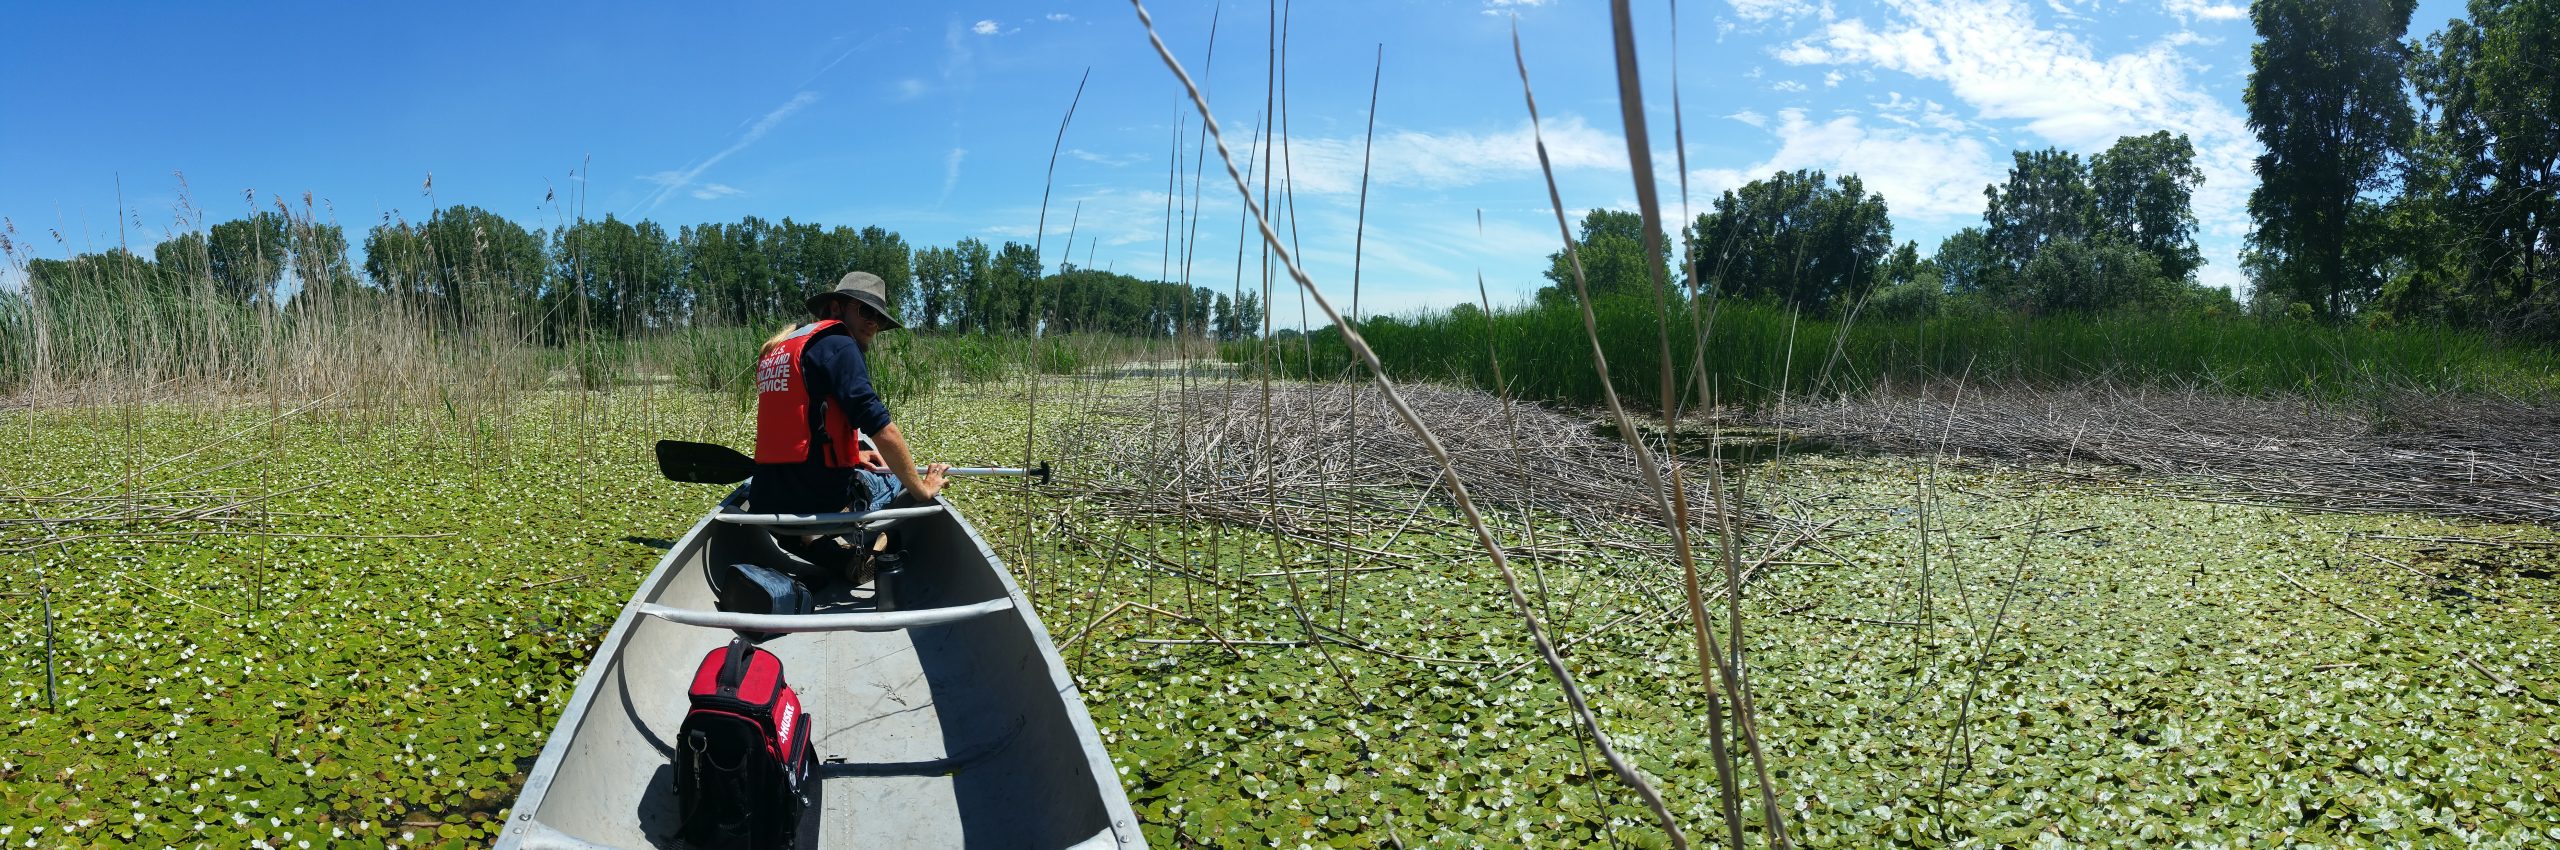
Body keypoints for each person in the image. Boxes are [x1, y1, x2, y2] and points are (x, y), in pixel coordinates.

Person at [751, 270, 950, 534]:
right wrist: (923, 489)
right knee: (894, 478)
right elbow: (882, 430)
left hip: (765, 498)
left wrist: (853, 453)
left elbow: (800, 426)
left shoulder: (782, 347)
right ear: (836, 308)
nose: (873, 323)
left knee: (874, 466)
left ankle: (815, 546)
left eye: (878, 317)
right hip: (817, 503)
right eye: (866, 312)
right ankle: (844, 539)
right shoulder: (840, 345)